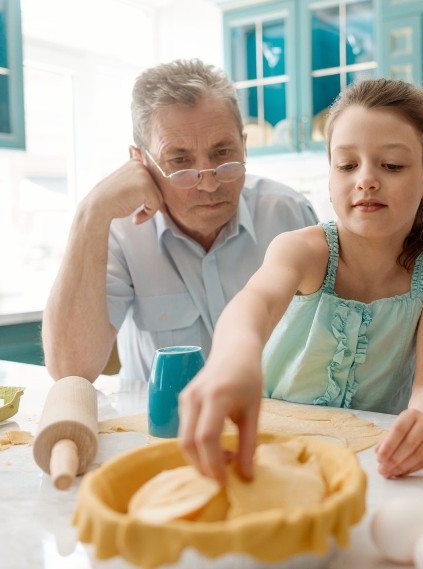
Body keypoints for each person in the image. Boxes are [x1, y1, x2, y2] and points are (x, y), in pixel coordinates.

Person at [179, 78, 423, 483]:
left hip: (374, 458)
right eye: (347, 165)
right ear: (330, 180)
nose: (365, 179)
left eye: (392, 165)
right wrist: (235, 357)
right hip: (270, 444)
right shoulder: (303, 250)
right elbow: (254, 304)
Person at [42, 59, 318, 384]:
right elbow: (70, 369)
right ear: (140, 161)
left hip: (280, 426)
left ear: (244, 144)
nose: (210, 183)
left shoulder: (289, 213)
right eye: (180, 161)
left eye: (223, 153)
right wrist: (90, 213)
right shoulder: (120, 232)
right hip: (161, 430)